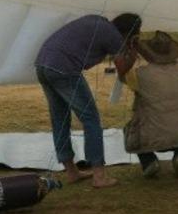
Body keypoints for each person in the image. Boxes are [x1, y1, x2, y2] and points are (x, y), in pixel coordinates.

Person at [35, 13, 141, 187]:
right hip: (64, 68)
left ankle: (71, 172)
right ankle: (99, 176)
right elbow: (122, 70)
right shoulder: (113, 35)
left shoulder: (98, 22)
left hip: (42, 64)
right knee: (91, 119)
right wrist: (134, 49)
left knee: (59, 119)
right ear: (130, 32)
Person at [118, 31, 178, 179]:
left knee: (129, 130)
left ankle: (149, 162)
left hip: (153, 136)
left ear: (148, 53)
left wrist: (129, 55)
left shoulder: (140, 74)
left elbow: (122, 76)